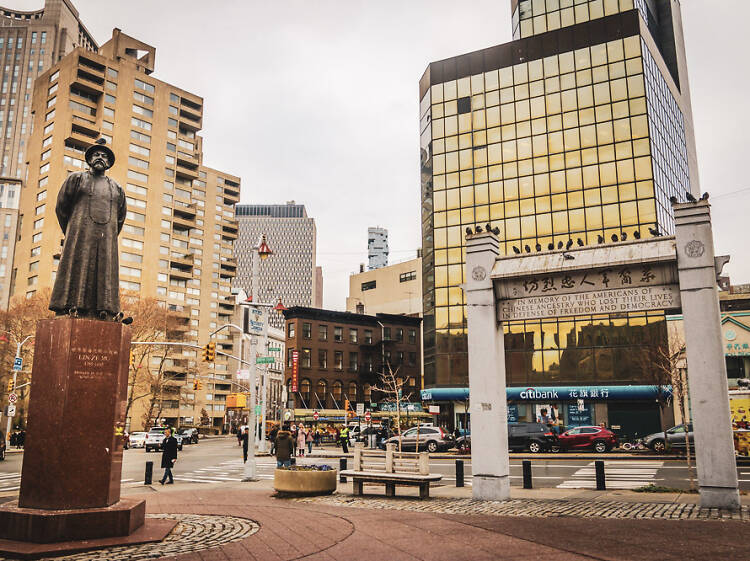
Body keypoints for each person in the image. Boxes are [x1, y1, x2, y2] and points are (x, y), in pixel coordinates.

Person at [49, 139, 127, 321]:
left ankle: (104, 310)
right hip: (79, 235)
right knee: (77, 267)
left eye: (104, 156)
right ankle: (69, 307)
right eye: (96, 155)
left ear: (109, 162)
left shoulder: (117, 188)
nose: (100, 158)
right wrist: (72, 230)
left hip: (106, 238)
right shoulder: (76, 179)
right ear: (90, 159)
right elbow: (61, 207)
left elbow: (120, 217)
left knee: (105, 273)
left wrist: (109, 235)